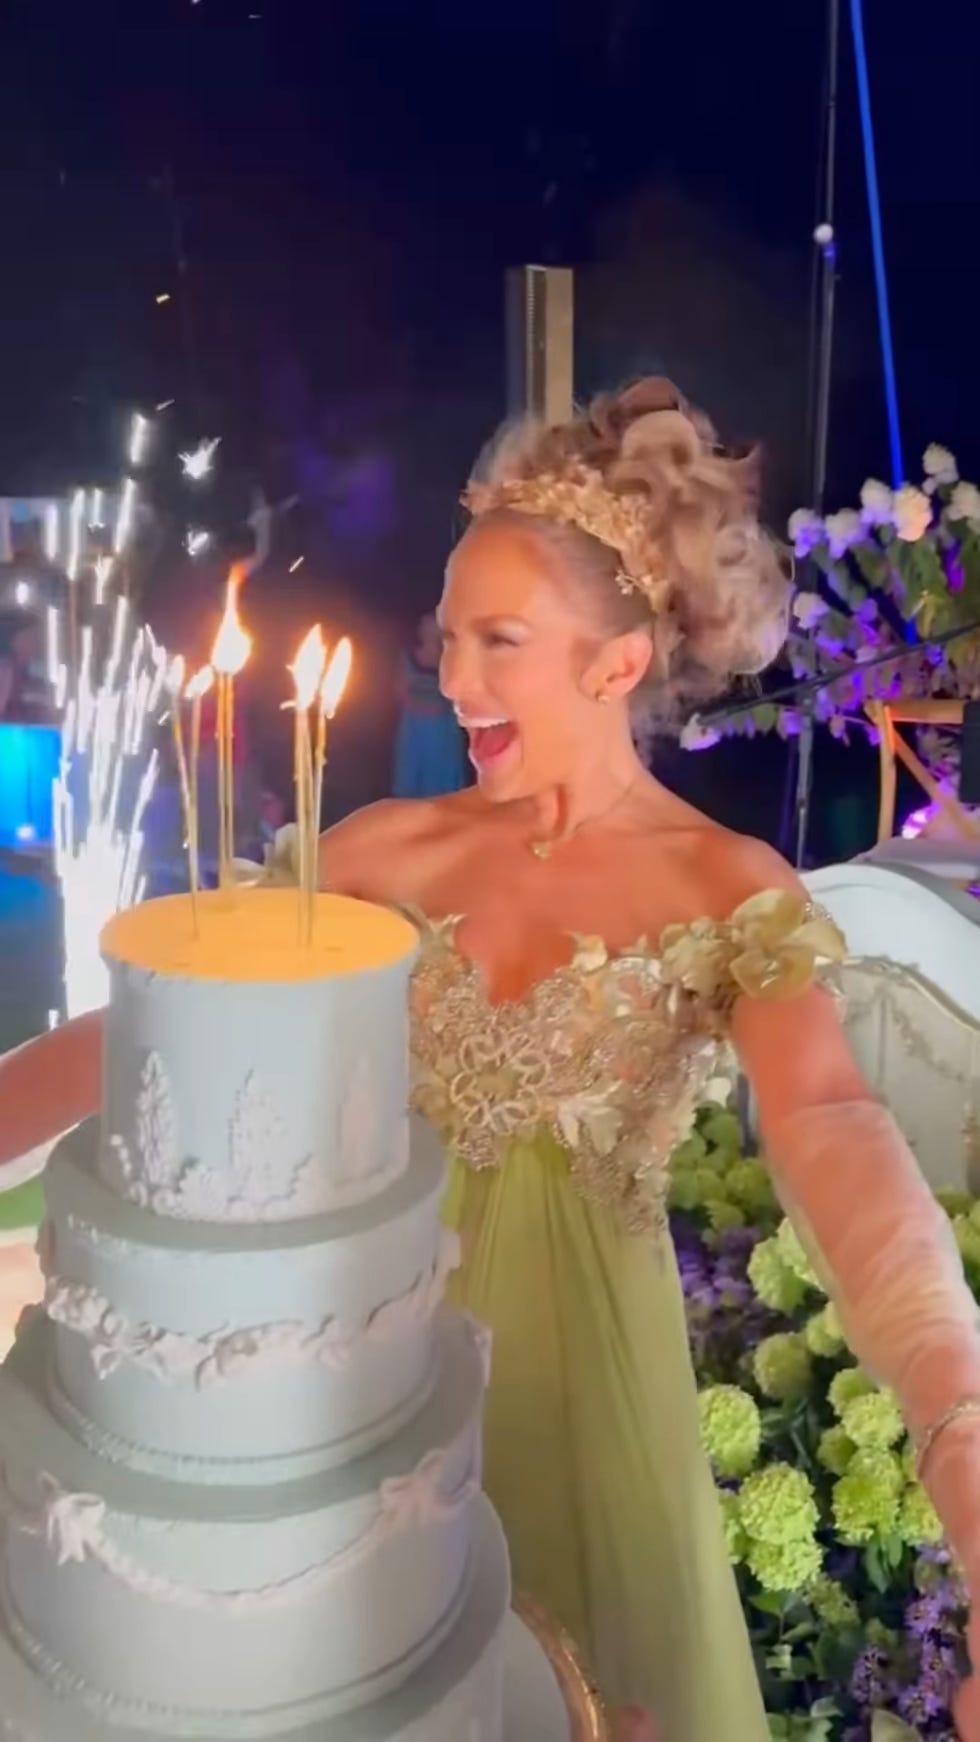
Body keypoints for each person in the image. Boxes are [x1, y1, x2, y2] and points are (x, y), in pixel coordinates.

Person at [4, 380, 980, 1741]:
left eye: (497, 639)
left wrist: (956, 1411)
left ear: (615, 661)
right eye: (449, 635)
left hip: (593, 1407)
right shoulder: (380, 853)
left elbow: (830, 1119)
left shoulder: (726, 884)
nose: (452, 677)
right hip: (354, 1373)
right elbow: (159, 1025)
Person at [392, 611, 467, 797]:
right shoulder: (409, 656)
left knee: (442, 782)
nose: (430, 628)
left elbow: (458, 693)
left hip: (442, 730)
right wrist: (420, 708)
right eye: (426, 624)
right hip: (414, 729)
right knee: (410, 780)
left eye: (435, 624)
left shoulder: (451, 658)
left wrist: (435, 709)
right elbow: (399, 690)